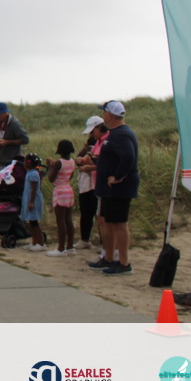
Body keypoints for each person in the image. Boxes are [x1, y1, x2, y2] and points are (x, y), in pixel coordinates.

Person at [89, 101, 139, 276]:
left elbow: (128, 156)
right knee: (108, 221)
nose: (103, 116)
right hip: (108, 188)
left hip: (119, 188)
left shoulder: (121, 134)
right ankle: (109, 257)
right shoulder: (114, 133)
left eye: (104, 112)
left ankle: (124, 262)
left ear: (109, 114)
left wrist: (118, 176)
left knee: (119, 223)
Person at [75, 116, 108, 251]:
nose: (91, 135)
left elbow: (104, 163)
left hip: (99, 184)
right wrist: (83, 159)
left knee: (101, 216)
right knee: (87, 212)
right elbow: (85, 159)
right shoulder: (97, 143)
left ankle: (105, 245)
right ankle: (86, 239)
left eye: (92, 131)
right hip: (89, 184)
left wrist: (90, 166)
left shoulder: (106, 142)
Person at [0, 102, 29, 184]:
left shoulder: (14, 124)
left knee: (6, 186)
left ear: (5, 112)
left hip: (11, 162)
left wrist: (8, 142)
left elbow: (25, 139)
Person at [45, 140, 76, 256]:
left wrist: (50, 167)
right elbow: (70, 176)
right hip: (68, 189)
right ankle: (70, 246)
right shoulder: (72, 161)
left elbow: (51, 178)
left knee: (60, 221)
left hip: (60, 191)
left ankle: (61, 248)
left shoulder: (59, 163)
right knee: (68, 219)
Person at [20, 153, 46, 251]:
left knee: (35, 222)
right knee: (31, 222)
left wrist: (31, 202)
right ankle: (34, 242)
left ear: (29, 163)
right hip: (29, 198)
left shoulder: (33, 174)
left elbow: (34, 189)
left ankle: (40, 243)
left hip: (33, 200)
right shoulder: (29, 172)